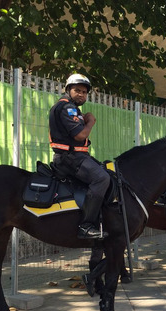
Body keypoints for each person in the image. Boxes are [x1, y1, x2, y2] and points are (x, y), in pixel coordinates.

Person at [49, 73, 111, 239]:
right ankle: (85, 226)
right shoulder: (67, 108)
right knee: (102, 179)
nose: (81, 94)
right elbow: (80, 136)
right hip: (70, 158)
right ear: (68, 90)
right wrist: (90, 121)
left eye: (84, 92)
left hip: (75, 157)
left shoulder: (72, 109)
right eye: (77, 90)